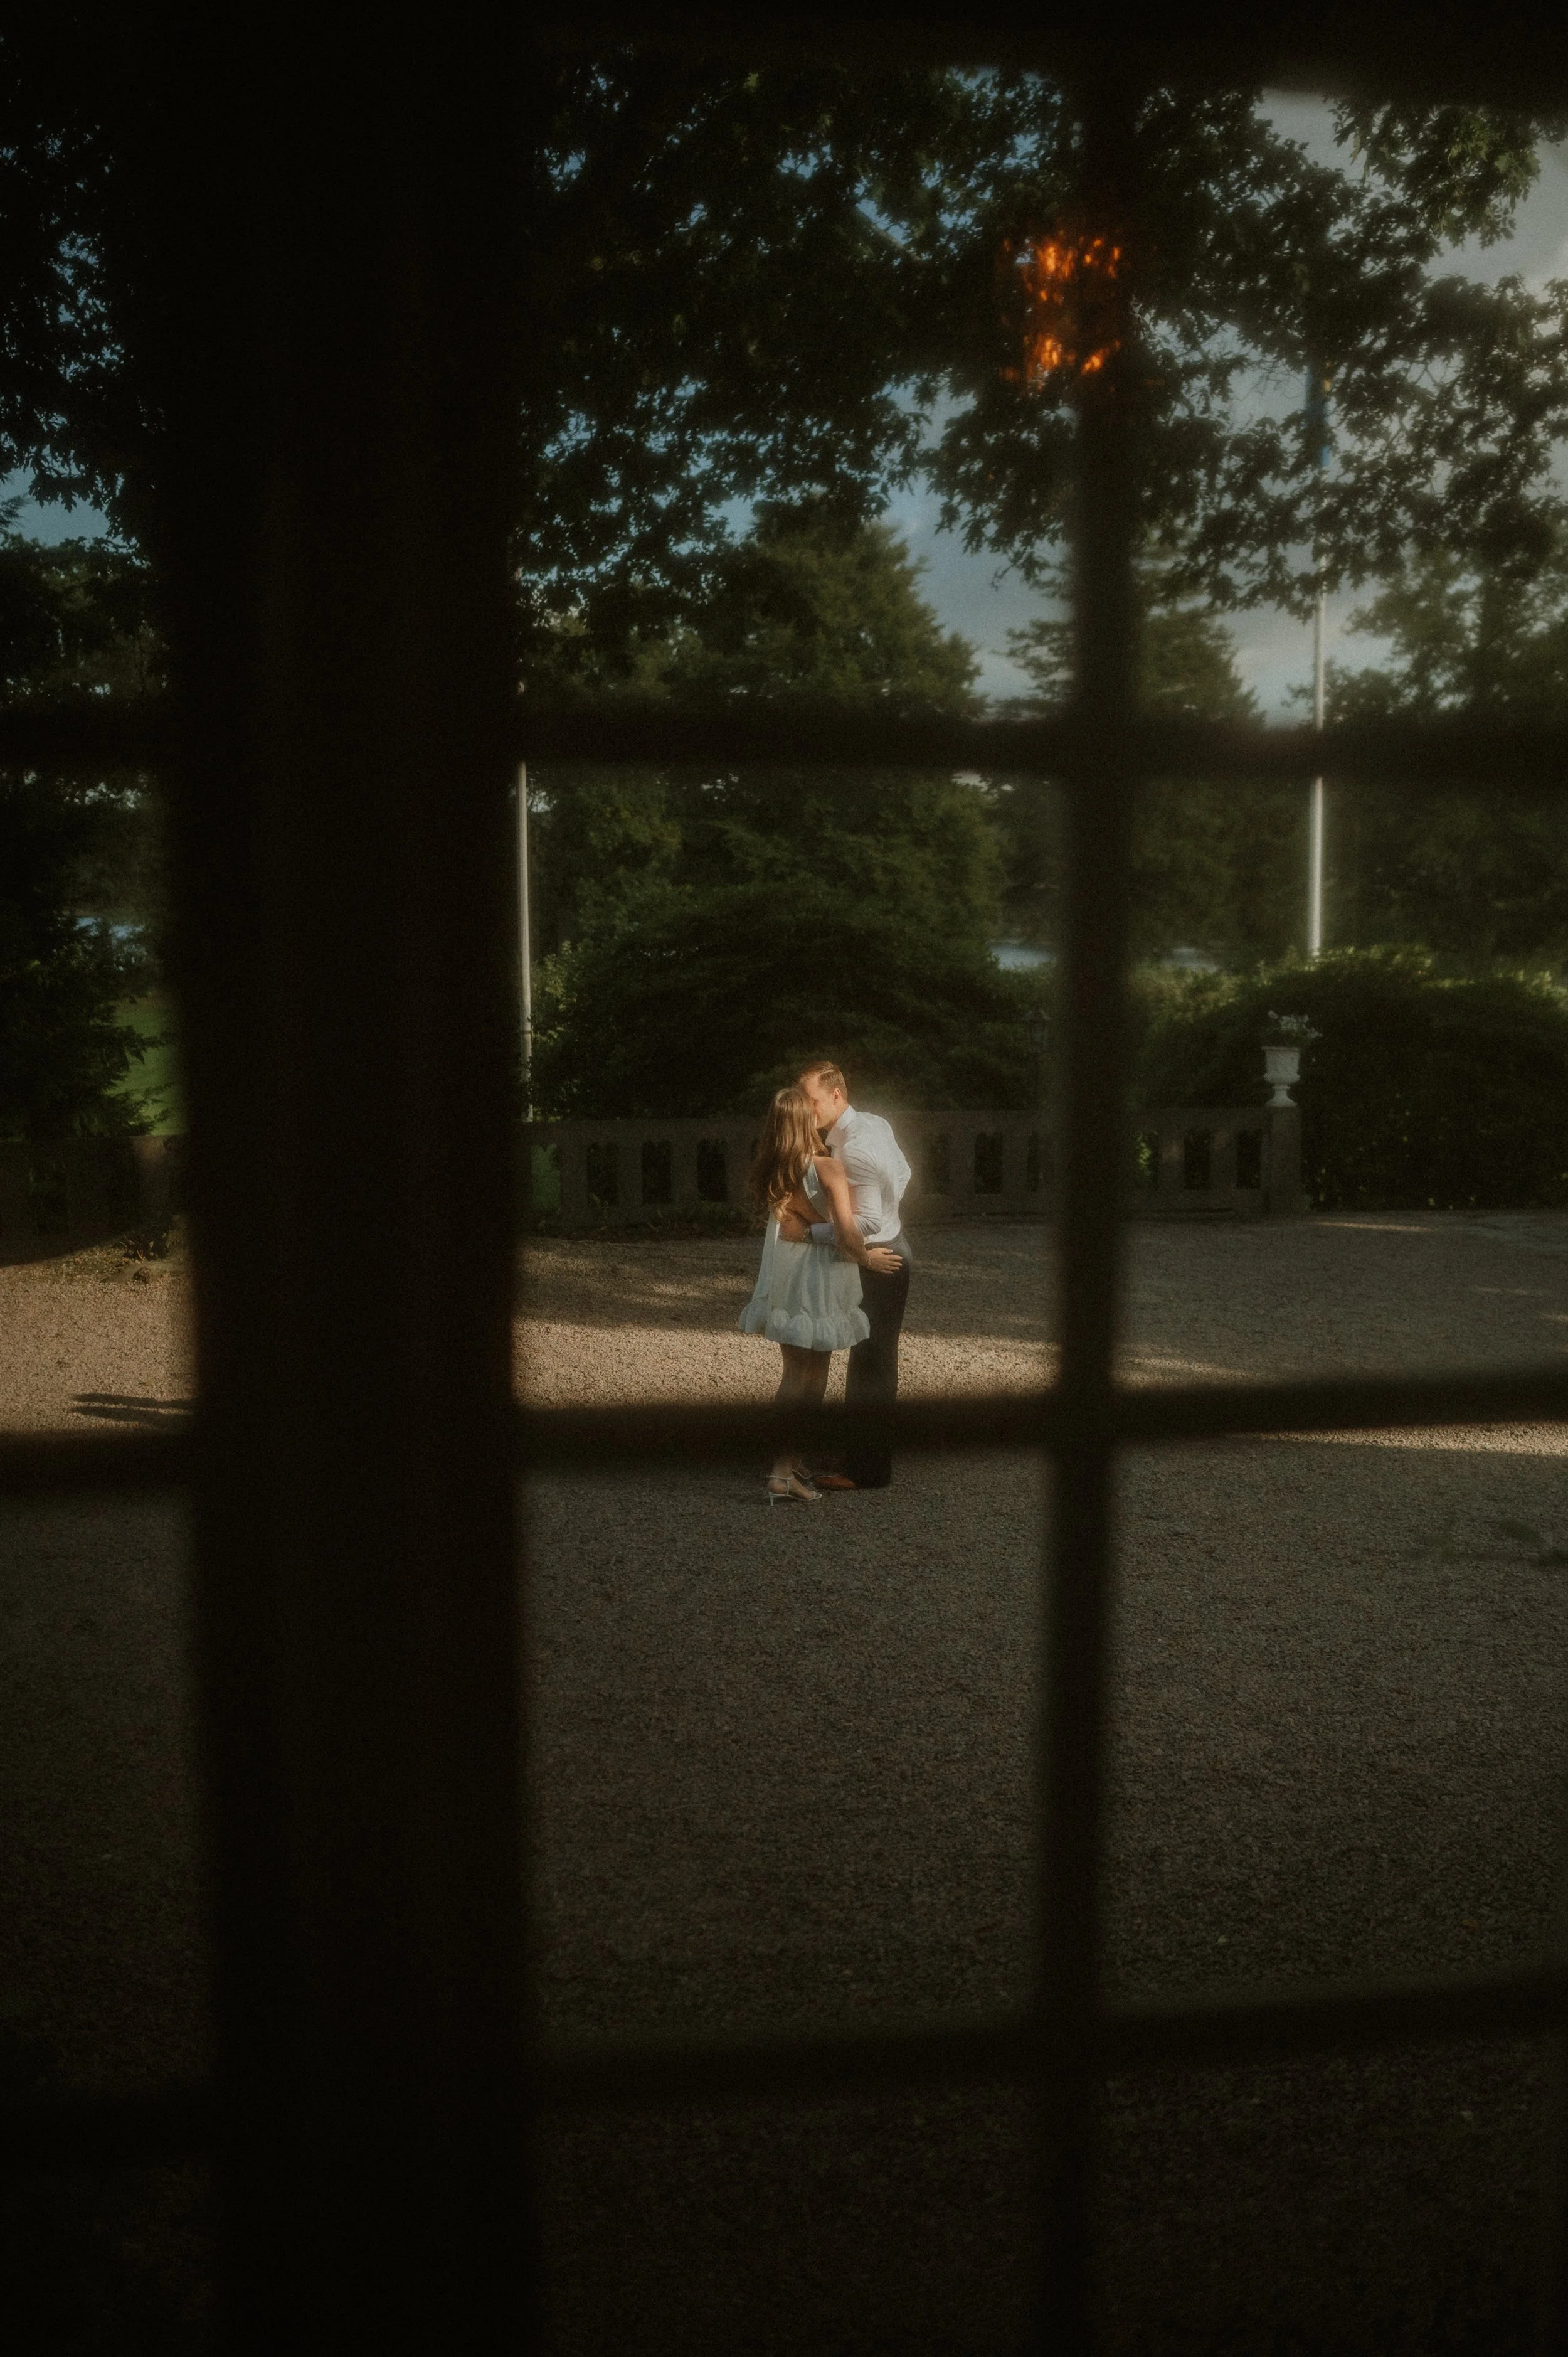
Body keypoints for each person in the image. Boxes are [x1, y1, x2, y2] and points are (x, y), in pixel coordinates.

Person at [739, 1084, 903, 1504]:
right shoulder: (827, 1168)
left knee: (794, 1373)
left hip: (789, 1275)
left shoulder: (773, 1169)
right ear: (806, 1121)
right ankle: (782, 1471)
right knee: (815, 1374)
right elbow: (848, 1236)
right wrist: (870, 1260)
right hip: (822, 1279)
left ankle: (789, 1461)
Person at [779, 1061, 912, 1490]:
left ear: (837, 1096)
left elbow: (867, 1221)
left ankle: (865, 1471)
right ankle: (865, 1457)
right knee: (873, 1358)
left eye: (812, 1100)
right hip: (893, 1244)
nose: (807, 1108)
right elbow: (905, 1173)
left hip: (880, 1254)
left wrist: (808, 1232)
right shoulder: (876, 1122)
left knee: (871, 1364)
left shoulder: (852, 1148)